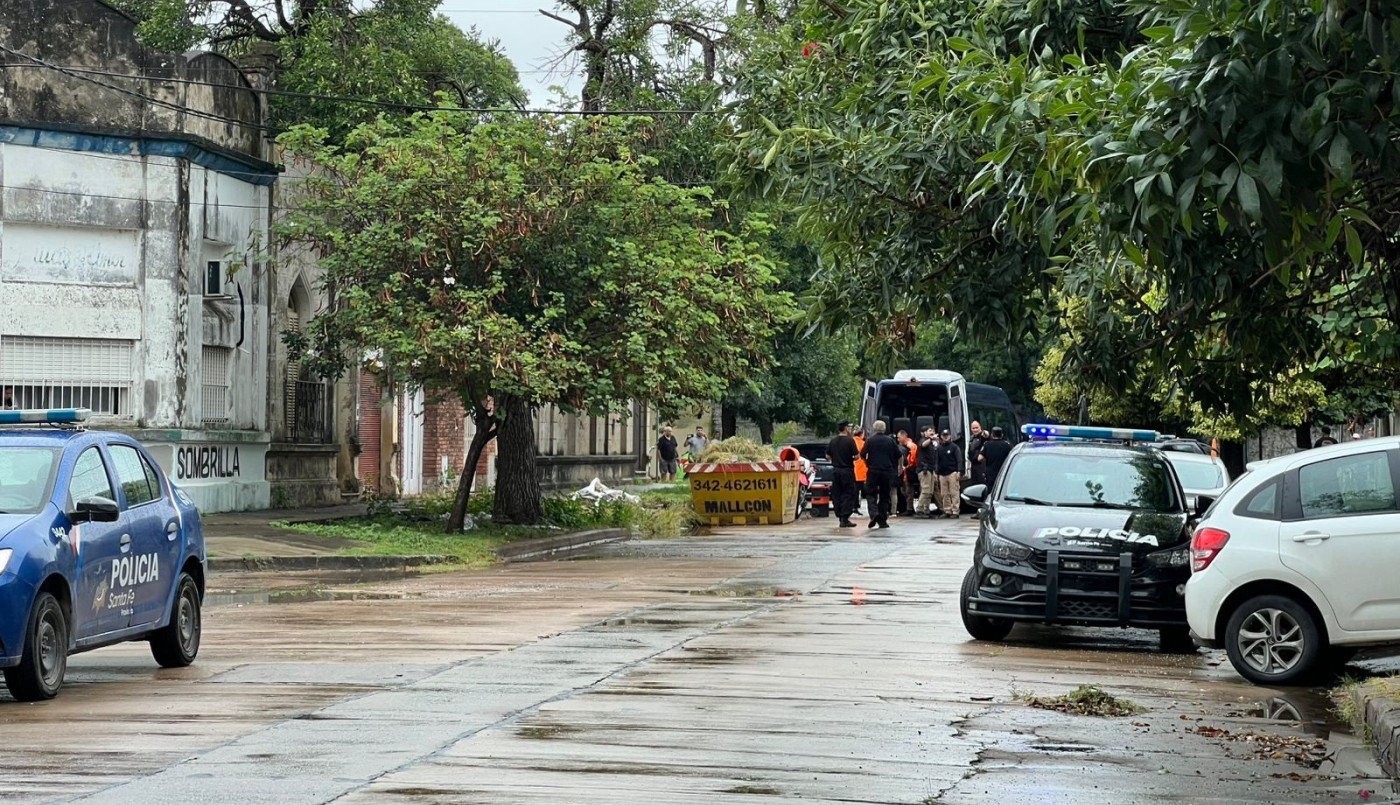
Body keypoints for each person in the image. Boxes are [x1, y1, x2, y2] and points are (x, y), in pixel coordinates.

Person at [859, 420, 901, 529]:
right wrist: (899, 468)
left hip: (873, 470)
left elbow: (862, 454)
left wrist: (867, 463)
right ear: (884, 429)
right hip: (887, 471)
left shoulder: (870, 441)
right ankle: (882, 520)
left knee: (871, 493)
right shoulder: (890, 441)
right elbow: (899, 455)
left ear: (874, 429)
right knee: (884, 495)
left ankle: (874, 513)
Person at [826, 421, 860, 528]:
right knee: (848, 493)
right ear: (845, 428)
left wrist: (835, 460)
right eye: (849, 427)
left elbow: (828, 455)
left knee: (837, 494)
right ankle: (845, 518)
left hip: (836, 471)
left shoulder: (833, 441)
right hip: (847, 471)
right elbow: (857, 456)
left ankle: (839, 515)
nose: (850, 429)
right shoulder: (850, 441)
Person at [933, 428, 965, 519]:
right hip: (942, 474)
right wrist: (936, 472)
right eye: (944, 436)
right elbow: (937, 461)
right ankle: (947, 510)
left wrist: (959, 471)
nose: (945, 437)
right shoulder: (939, 448)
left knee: (954, 492)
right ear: (941, 437)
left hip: (952, 472)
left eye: (947, 435)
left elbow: (959, 460)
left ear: (950, 436)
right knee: (944, 493)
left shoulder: (954, 447)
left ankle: (955, 511)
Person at [916, 426, 939, 517]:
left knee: (930, 492)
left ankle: (926, 509)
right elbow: (923, 445)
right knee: (925, 490)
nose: (932, 432)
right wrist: (931, 438)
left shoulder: (933, 444)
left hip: (931, 469)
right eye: (929, 431)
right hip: (924, 470)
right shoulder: (922, 440)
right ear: (924, 433)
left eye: (933, 430)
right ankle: (920, 509)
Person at [895, 430, 918, 516]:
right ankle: (908, 508)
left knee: (908, 490)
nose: (897, 439)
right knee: (906, 490)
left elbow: (912, 460)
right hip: (907, 471)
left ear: (904, 436)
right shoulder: (907, 446)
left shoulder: (910, 446)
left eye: (899, 437)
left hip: (909, 471)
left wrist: (906, 466)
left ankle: (909, 508)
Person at [852, 427, 868, 515]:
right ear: (861, 434)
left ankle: (854, 505)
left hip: (852, 468)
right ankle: (855, 505)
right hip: (861, 469)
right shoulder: (863, 443)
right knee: (862, 489)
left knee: (854, 489)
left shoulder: (850, 441)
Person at [968, 421, 988, 485]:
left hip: (982, 465)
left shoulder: (983, 437)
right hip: (973, 467)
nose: (975, 430)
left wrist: (985, 433)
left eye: (977, 428)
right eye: (973, 428)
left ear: (980, 428)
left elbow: (986, 435)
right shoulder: (971, 439)